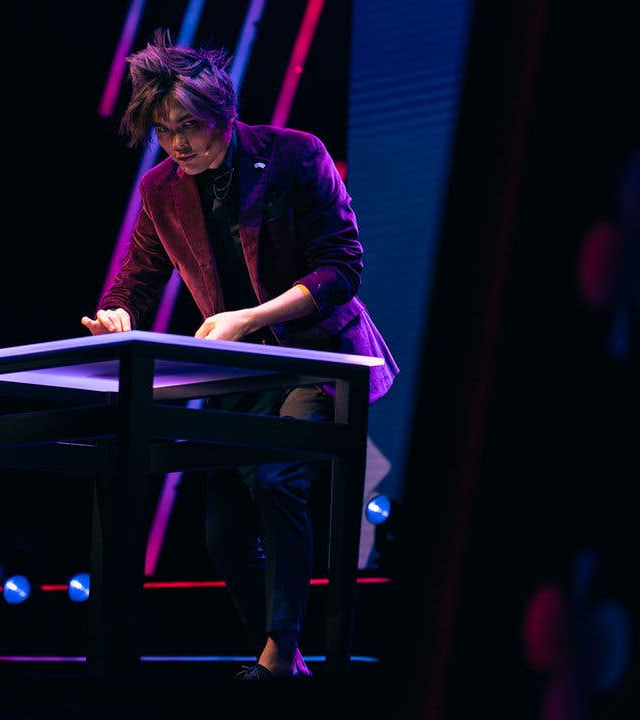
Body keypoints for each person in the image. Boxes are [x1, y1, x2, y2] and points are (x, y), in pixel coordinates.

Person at [81, 29, 399, 680]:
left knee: (279, 479)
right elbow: (138, 275)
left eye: (189, 128)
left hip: (319, 357)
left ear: (222, 112)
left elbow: (341, 268)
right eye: (164, 133)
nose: (178, 144)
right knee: (223, 523)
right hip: (240, 370)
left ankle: (280, 654)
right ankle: (280, 650)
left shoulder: (294, 156)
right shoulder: (162, 189)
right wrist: (118, 312)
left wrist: (250, 317)